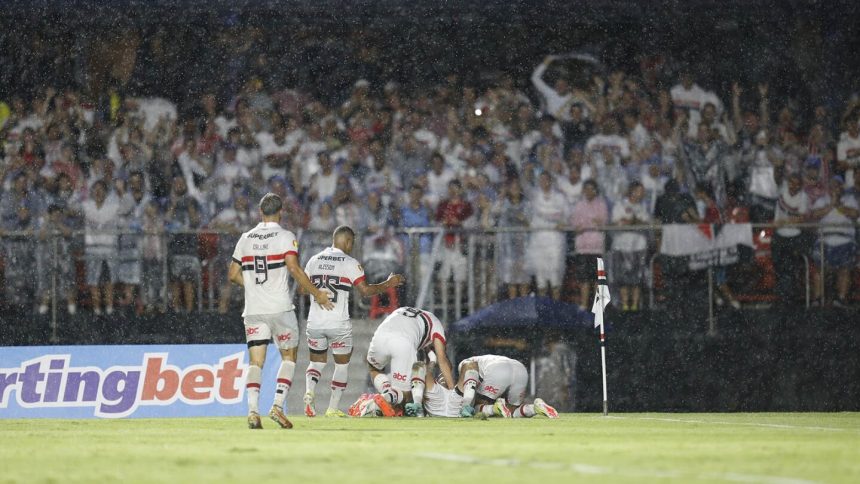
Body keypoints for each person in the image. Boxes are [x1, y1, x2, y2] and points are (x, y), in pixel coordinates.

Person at [228, 192, 334, 429]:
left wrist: (255, 286)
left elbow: (232, 275)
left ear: (260, 212)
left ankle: (252, 412)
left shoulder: (245, 238)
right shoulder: (286, 236)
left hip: (254, 310)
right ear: (280, 212)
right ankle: (277, 406)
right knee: (289, 356)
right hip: (280, 308)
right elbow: (294, 269)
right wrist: (317, 293)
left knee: (256, 362)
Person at [302, 226, 405, 417]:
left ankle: (309, 392)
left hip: (315, 322)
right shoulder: (349, 263)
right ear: (348, 242)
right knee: (341, 365)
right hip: (338, 323)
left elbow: (302, 290)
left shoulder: (313, 260)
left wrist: (317, 293)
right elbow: (365, 291)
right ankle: (332, 408)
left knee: (316, 362)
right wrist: (388, 284)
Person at [366, 306, 455, 410]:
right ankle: (385, 399)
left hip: (381, 335)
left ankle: (386, 390)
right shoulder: (438, 328)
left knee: (373, 369)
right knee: (406, 397)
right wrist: (452, 392)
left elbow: (429, 360)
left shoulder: (420, 319)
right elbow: (442, 360)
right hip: (403, 343)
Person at [808, 176, 859, 307]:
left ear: (842, 187)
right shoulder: (821, 200)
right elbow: (815, 215)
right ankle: (817, 299)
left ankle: (841, 298)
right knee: (819, 268)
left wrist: (838, 205)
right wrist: (831, 204)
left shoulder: (850, 199)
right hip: (825, 238)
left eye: (838, 185)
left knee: (845, 268)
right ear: (829, 188)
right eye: (833, 185)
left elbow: (854, 213)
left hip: (845, 239)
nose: (835, 188)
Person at [457, 354, 559, 419]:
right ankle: (534, 408)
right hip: (520, 368)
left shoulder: (465, 363)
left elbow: (469, 367)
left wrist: (467, 403)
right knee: (512, 412)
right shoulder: (485, 359)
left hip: (498, 369)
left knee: (476, 406)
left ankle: (494, 408)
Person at [610, 181, 651, 311]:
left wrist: (632, 221)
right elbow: (619, 221)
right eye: (640, 190)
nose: (643, 193)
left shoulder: (643, 206)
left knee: (637, 278)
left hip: (638, 246)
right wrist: (634, 222)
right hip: (622, 245)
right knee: (622, 277)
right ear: (633, 191)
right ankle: (625, 305)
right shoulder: (620, 205)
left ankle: (634, 305)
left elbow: (645, 222)